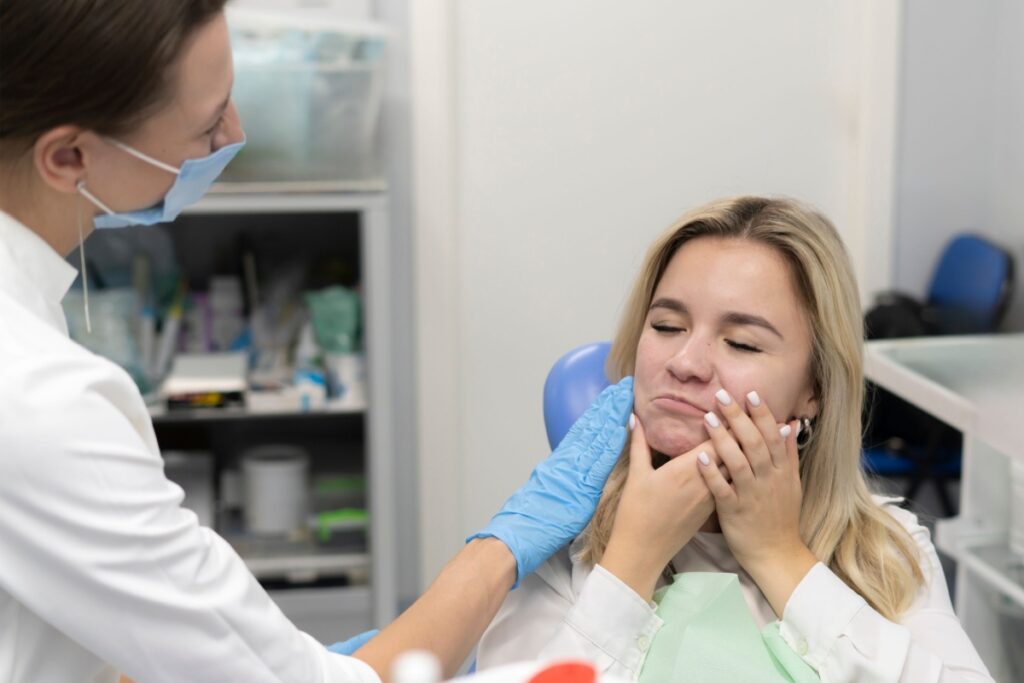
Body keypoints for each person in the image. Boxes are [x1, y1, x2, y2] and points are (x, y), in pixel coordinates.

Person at [0, 2, 634, 681]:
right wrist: (507, 543)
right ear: (68, 156)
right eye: (209, 123)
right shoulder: (42, 403)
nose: (235, 134)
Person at [476, 196, 994, 681]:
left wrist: (782, 558)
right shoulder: (569, 542)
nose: (685, 363)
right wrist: (629, 565)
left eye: (741, 342)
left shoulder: (884, 548)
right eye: (666, 326)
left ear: (814, 389)